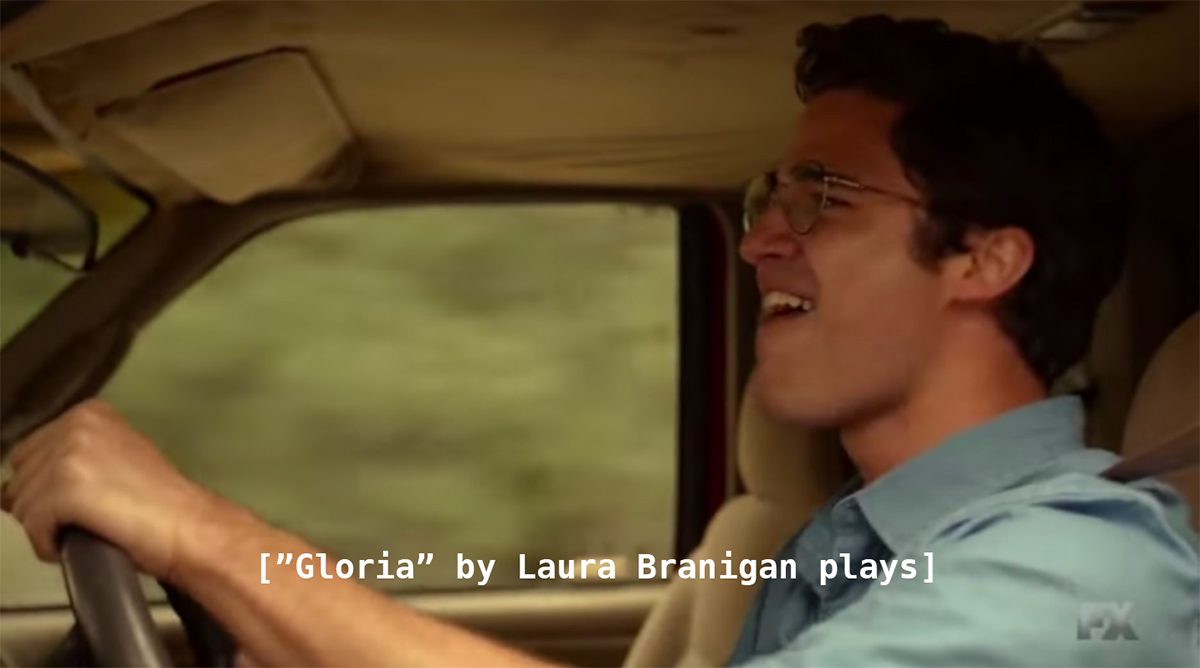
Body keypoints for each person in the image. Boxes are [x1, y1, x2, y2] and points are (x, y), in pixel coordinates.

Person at [2, 14, 1197, 668]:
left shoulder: (1088, 573)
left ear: (985, 260)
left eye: (821, 198)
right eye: (765, 200)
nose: (759, 241)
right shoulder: (843, 545)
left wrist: (207, 537)